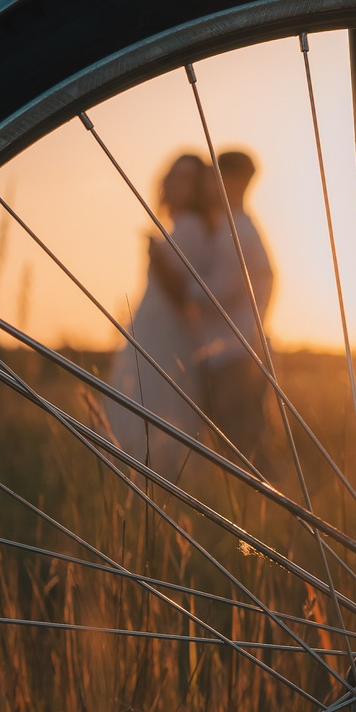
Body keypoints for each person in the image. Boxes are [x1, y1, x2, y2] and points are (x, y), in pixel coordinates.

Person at [106, 153, 222, 473]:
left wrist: (156, 255)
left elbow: (184, 294)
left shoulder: (190, 227)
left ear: (199, 188)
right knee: (146, 407)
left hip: (166, 336)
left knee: (155, 408)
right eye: (174, 175)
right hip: (154, 329)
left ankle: (150, 481)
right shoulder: (181, 226)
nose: (175, 183)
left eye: (186, 178)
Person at [193, 148, 277, 472]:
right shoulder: (236, 227)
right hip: (237, 350)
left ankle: (280, 510)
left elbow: (215, 293)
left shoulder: (237, 232)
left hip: (237, 355)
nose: (209, 184)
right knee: (241, 444)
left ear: (236, 182)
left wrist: (171, 277)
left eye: (216, 176)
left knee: (247, 447)